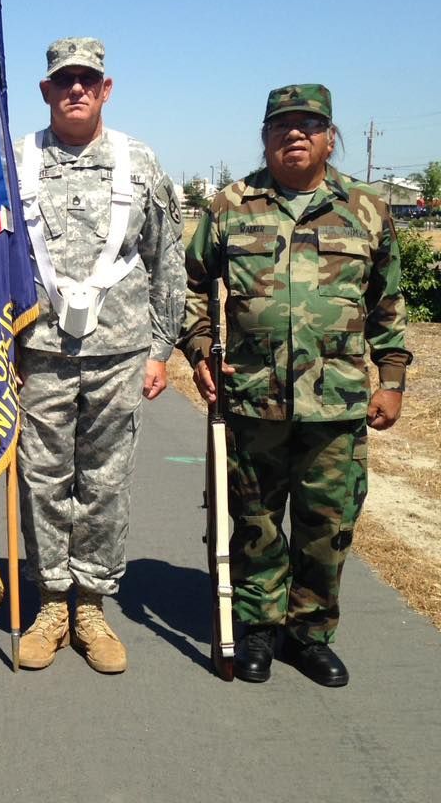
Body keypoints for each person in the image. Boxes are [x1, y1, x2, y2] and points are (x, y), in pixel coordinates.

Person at [179, 84, 411, 686]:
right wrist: (201, 347)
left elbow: (389, 303)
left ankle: (308, 634)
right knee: (254, 520)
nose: (295, 133)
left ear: (331, 135)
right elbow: (191, 287)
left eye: (310, 124)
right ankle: (257, 626)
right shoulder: (232, 205)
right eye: (282, 124)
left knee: (326, 525)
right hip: (253, 398)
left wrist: (392, 380)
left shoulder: (366, 208)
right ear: (265, 136)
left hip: (336, 402)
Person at [14, 38, 186, 672]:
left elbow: (168, 257)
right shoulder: (19, 160)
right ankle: (52, 601)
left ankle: (92, 603)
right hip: (39, 350)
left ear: (106, 89)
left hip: (119, 351)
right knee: (43, 477)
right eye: (65, 81)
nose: (76, 90)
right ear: (46, 91)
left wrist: (162, 348)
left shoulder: (139, 162)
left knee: (105, 480)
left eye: (88, 79)